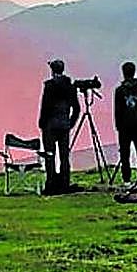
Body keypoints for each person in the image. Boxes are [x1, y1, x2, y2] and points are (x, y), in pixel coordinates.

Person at [38, 58, 80, 195]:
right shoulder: (70, 86)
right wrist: (70, 123)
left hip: (50, 126)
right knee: (64, 156)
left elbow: (45, 107)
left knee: (50, 155)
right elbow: (77, 108)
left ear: (52, 71)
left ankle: (51, 184)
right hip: (64, 125)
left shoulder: (49, 86)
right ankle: (65, 183)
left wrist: (42, 123)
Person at [113, 61, 137, 183]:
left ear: (123, 73)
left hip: (124, 127)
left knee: (124, 153)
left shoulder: (119, 91)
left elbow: (117, 111)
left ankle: (127, 180)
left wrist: (118, 126)